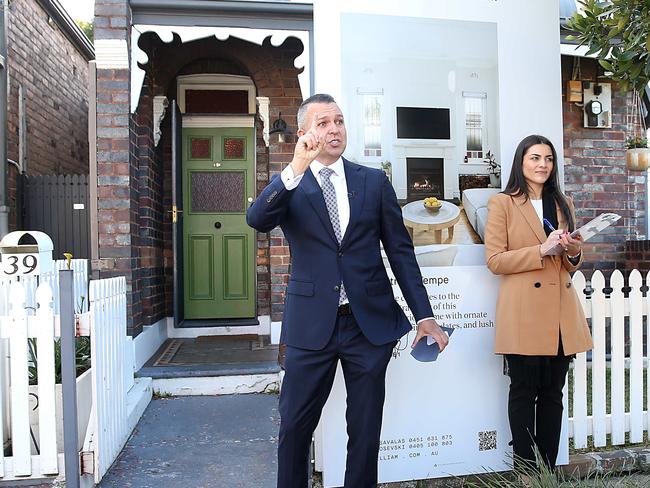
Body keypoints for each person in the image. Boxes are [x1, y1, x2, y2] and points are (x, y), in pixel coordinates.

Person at [247, 93, 448, 488]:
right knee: (294, 427)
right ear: (304, 133)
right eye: (323, 123)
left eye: (338, 121)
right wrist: (295, 168)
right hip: (310, 327)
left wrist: (424, 316)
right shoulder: (292, 182)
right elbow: (257, 219)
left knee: (365, 430)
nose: (334, 129)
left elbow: (400, 253)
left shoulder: (372, 182)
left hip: (366, 326)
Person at [484, 134, 593, 471]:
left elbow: (571, 264)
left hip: (560, 312)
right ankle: (526, 470)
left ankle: (548, 468)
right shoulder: (502, 203)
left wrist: (573, 251)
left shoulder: (563, 202)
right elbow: (495, 261)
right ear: (521, 163)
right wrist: (541, 250)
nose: (542, 164)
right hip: (524, 313)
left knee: (553, 395)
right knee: (523, 392)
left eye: (548, 159)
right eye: (535, 158)